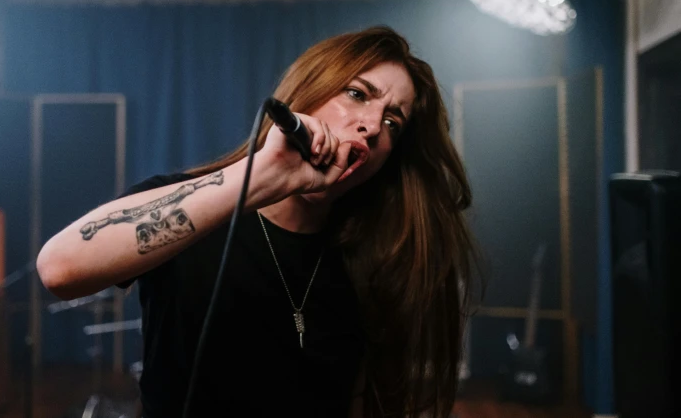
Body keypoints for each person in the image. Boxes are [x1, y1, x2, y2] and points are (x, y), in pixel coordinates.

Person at [37, 26, 478, 418]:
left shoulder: (368, 256)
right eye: (358, 94)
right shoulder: (193, 204)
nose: (370, 126)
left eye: (392, 122)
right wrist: (266, 174)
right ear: (306, 91)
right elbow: (60, 268)